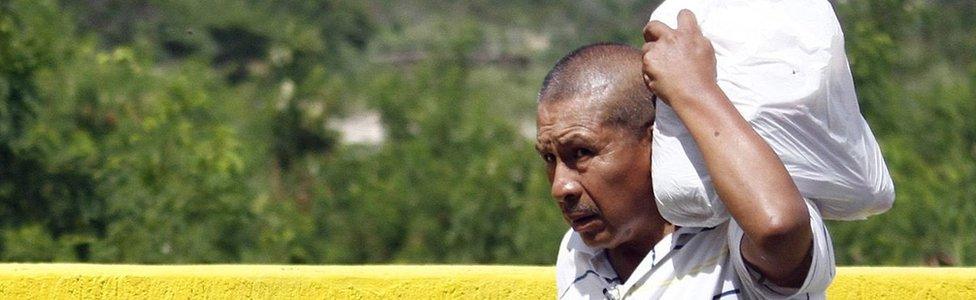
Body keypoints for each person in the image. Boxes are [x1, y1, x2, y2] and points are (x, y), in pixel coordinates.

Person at [538, 11, 834, 299]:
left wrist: (693, 89)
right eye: (550, 159)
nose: (560, 187)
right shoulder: (579, 252)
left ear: (655, 141)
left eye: (581, 153)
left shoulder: (733, 236)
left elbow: (778, 227)